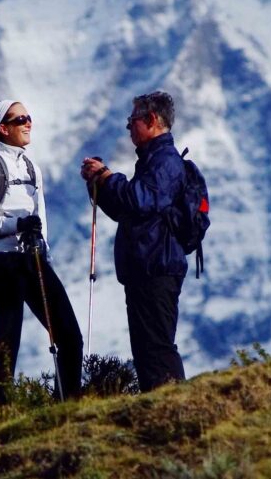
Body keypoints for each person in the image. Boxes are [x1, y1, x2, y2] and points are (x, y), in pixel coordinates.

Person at [0, 100, 83, 405]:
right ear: (3, 128)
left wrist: (42, 247)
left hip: (31, 258)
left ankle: (66, 405)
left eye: (29, 118)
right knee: (6, 341)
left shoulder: (32, 168)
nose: (28, 123)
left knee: (69, 334)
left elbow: (40, 220)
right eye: (21, 120)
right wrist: (15, 223)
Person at [80, 91, 187, 392]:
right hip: (145, 267)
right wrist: (98, 183)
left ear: (151, 120)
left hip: (157, 267)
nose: (128, 128)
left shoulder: (165, 161)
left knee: (156, 346)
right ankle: (161, 406)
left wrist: (108, 177)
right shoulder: (152, 161)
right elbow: (127, 211)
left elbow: (140, 200)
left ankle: (175, 408)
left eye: (132, 121)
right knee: (146, 348)